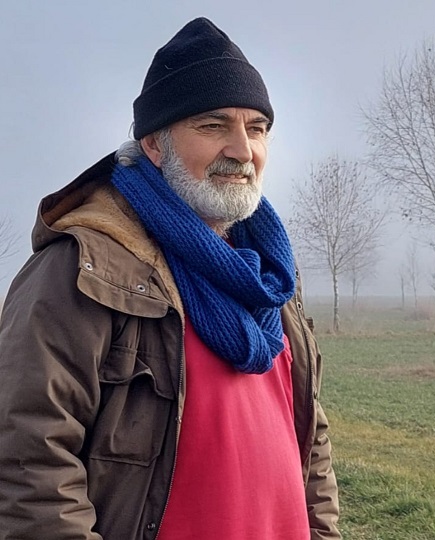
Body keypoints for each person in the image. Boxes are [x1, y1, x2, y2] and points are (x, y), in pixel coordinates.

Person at [0, 17, 340, 540]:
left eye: (256, 129)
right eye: (213, 126)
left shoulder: (269, 277)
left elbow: (308, 439)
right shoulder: (84, 268)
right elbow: (30, 464)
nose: (242, 150)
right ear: (155, 145)